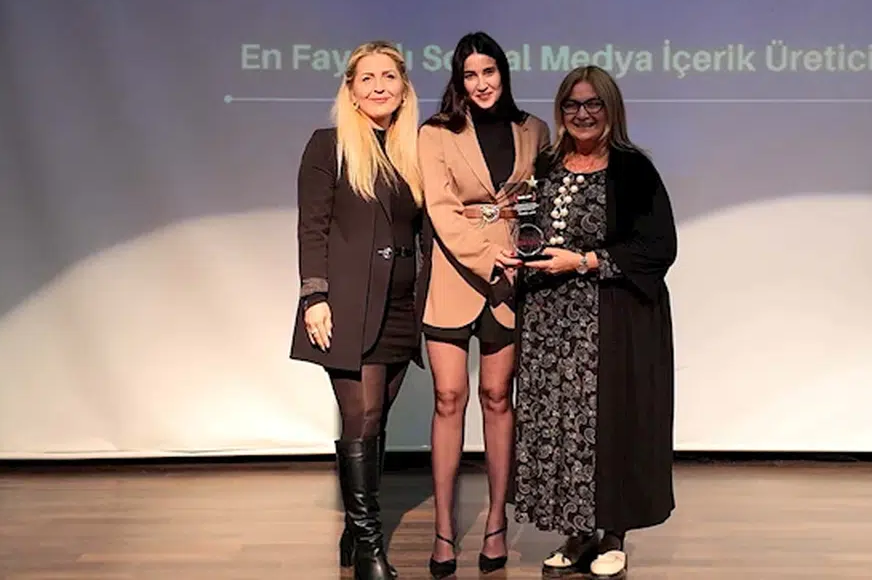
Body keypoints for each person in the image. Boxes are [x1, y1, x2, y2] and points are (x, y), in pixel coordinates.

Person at [511, 65, 678, 579]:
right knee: (560, 426)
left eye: (593, 104)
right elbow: (528, 228)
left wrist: (584, 262)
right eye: (571, 105)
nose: (582, 114)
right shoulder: (544, 165)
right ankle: (576, 532)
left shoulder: (633, 170)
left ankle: (613, 533)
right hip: (550, 324)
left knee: (612, 424)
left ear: (611, 109)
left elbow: (659, 247)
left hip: (613, 321)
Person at [290, 40, 427, 580]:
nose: (378, 87)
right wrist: (314, 296)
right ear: (350, 89)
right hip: (347, 305)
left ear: (404, 88)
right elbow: (312, 225)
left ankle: (355, 530)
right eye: (366, 78)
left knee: (378, 418)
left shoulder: (413, 149)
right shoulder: (329, 146)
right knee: (362, 416)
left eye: (388, 77)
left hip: (400, 307)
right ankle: (370, 548)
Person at [416, 31, 551, 577]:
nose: (481, 83)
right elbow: (441, 209)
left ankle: (496, 522)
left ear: (503, 73)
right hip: (456, 271)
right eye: (470, 74)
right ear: (459, 80)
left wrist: (526, 253)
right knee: (449, 398)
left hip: (513, 276)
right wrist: (485, 257)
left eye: (488, 72)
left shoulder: (533, 129)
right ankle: (443, 530)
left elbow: (537, 202)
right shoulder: (435, 132)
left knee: (498, 397)